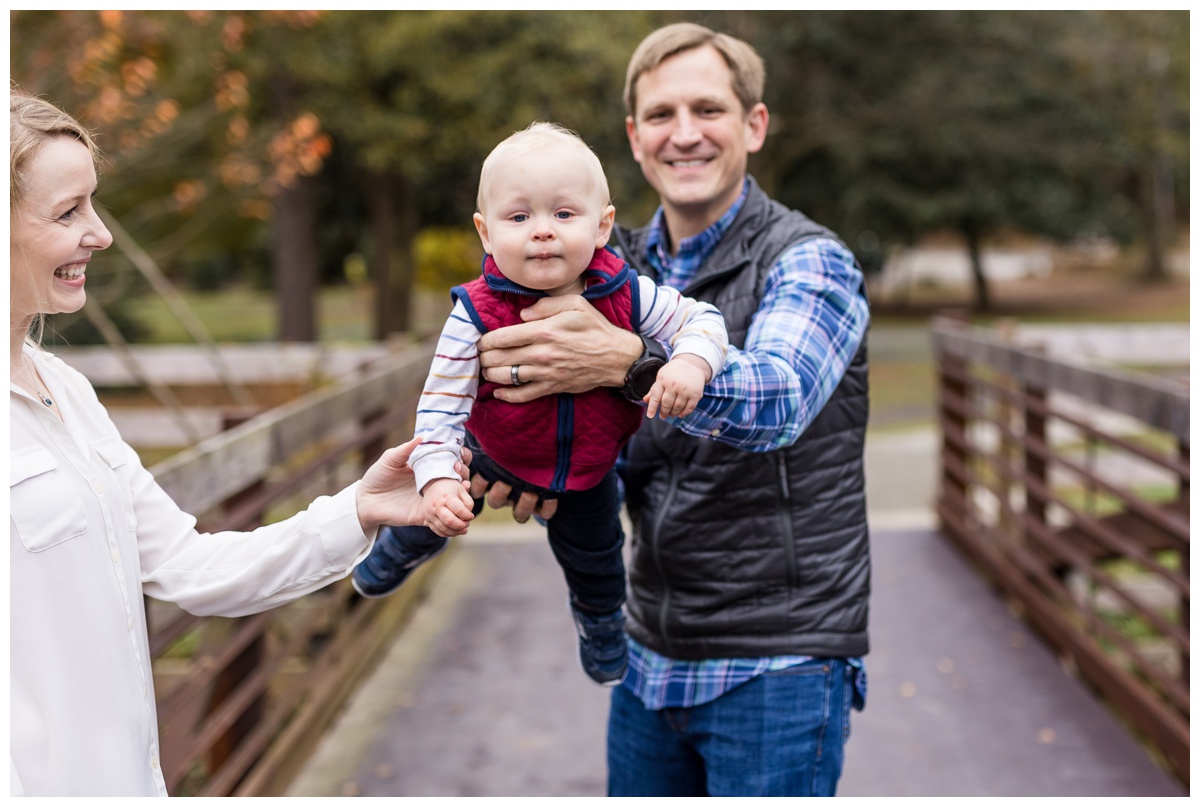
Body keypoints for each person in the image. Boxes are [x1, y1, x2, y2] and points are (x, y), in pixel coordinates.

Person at [8, 88, 469, 797]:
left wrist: (359, 509)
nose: (98, 233)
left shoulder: (68, 391)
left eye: (93, 204)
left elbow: (191, 565)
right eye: (68, 212)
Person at [471, 23, 872, 797]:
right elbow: (555, 401)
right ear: (634, 136)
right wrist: (515, 457)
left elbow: (780, 396)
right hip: (647, 648)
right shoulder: (606, 265)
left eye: (708, 109)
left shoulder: (808, 258)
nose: (683, 134)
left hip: (778, 657)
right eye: (660, 115)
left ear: (753, 125)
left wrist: (625, 364)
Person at [351, 121, 729, 686]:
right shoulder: (474, 314)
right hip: (490, 453)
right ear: (485, 232)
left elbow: (702, 319)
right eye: (520, 216)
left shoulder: (626, 293)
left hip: (586, 471)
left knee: (598, 559)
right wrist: (436, 480)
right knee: (439, 511)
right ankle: (398, 550)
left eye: (564, 215)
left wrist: (689, 362)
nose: (543, 233)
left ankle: (600, 624)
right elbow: (440, 408)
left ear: (603, 225)